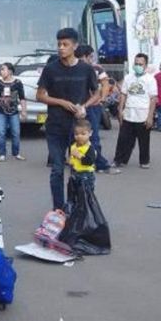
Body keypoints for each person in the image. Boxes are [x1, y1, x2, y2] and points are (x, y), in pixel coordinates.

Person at [36, 28, 99, 211]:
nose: (61, 48)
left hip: (78, 129)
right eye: (59, 45)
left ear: (75, 46)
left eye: (65, 45)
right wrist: (61, 102)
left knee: (78, 169)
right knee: (57, 169)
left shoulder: (86, 69)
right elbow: (40, 95)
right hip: (55, 126)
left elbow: (97, 93)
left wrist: (84, 107)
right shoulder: (50, 69)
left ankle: (77, 207)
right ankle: (59, 209)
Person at [74, 45, 119, 174]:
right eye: (90, 56)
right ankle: (91, 163)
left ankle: (92, 163)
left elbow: (105, 84)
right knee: (84, 135)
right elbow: (104, 84)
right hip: (84, 107)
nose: (91, 58)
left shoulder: (93, 68)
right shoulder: (86, 68)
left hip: (84, 107)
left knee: (85, 135)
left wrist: (102, 98)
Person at [113, 53, 158, 169]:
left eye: (140, 64)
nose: (138, 66)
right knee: (123, 139)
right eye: (136, 63)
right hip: (128, 114)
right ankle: (119, 160)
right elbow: (123, 94)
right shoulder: (128, 77)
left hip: (143, 115)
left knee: (143, 141)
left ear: (145, 65)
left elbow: (153, 99)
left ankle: (144, 161)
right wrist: (120, 110)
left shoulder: (150, 80)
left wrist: (150, 117)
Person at [0, 62, 26, 161]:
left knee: (16, 133)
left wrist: (24, 110)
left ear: (9, 71)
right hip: (0, 112)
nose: (1, 71)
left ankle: (16, 153)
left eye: (3, 69)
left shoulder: (18, 83)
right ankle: (1, 153)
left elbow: (22, 98)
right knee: (1, 133)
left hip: (14, 112)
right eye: (1, 69)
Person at [69, 119, 98, 191]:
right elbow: (72, 158)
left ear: (90, 133)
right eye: (76, 134)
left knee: (85, 194)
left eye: (83, 134)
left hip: (86, 174)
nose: (79, 136)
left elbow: (89, 161)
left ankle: (87, 202)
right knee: (74, 192)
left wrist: (79, 156)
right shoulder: (74, 146)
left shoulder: (89, 148)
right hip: (75, 172)